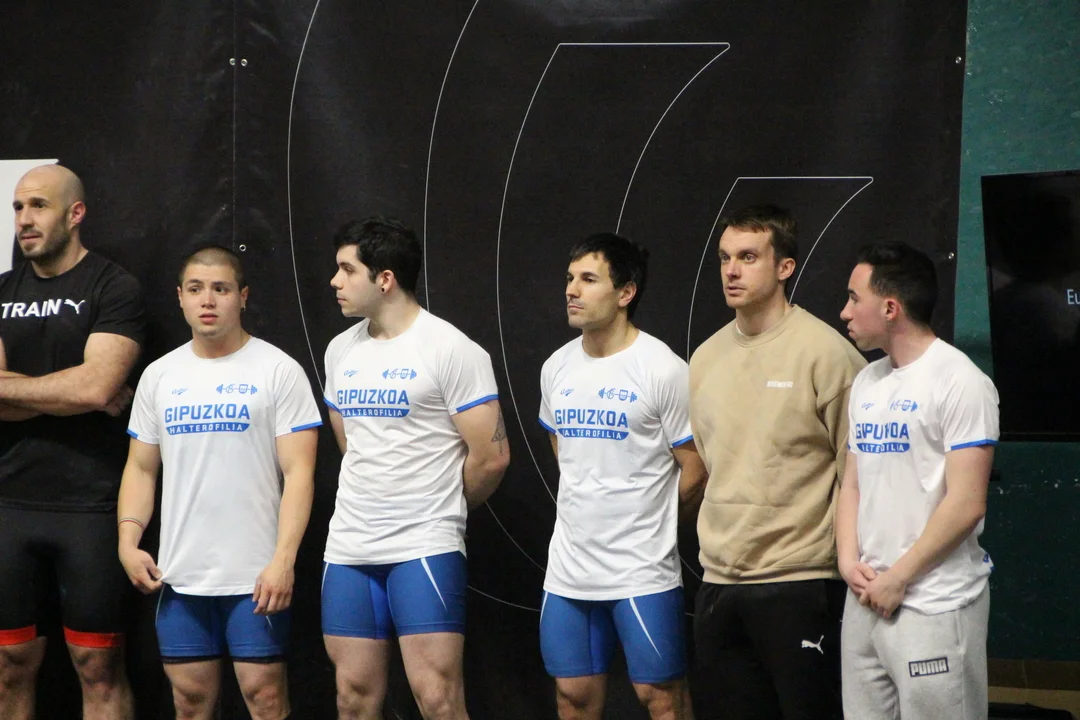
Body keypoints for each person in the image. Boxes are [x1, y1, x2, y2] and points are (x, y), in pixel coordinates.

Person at [117, 246, 320, 720]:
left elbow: (300, 473)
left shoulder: (278, 370)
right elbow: (141, 468)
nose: (207, 300)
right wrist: (128, 542)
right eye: (196, 289)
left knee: (265, 700)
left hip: (256, 576)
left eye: (220, 289)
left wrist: (283, 560)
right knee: (189, 704)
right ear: (180, 298)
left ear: (242, 297)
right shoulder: (159, 376)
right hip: (181, 576)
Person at [321, 216, 510, 720]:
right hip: (349, 546)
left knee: (437, 698)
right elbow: (350, 442)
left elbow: (491, 456)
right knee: (352, 697)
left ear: (385, 279)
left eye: (347, 270)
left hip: (423, 545)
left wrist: (439, 506)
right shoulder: (340, 350)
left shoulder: (450, 349)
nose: (335, 281)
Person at [688, 204, 866, 719]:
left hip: (801, 578)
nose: (731, 270)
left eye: (748, 257)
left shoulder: (827, 355)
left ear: (785, 267)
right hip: (719, 580)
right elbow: (712, 460)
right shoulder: (704, 358)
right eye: (725, 258)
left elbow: (858, 474)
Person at [538, 233, 706, 720]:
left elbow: (696, 469)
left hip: (641, 572)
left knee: (661, 698)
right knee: (573, 696)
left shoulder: (663, 369)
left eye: (589, 279)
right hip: (568, 573)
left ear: (625, 293)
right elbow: (565, 454)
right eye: (570, 278)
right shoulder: (556, 367)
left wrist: (652, 528)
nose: (572, 289)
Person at [0, 164, 143, 720]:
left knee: (97, 665)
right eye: (18, 207)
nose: (24, 219)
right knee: (9, 664)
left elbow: (98, 385)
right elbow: (87, 390)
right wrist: (75, 392)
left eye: (38, 205)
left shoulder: (112, 286)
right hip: (10, 501)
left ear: (75, 213)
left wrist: (79, 391)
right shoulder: (2, 291)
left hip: (90, 504)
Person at [837, 243, 998, 719]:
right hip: (865, 598)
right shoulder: (866, 382)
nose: (844, 312)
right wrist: (847, 561)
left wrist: (899, 577)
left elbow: (967, 503)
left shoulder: (960, 380)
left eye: (854, 298)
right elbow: (852, 484)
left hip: (934, 603)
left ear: (890, 308)